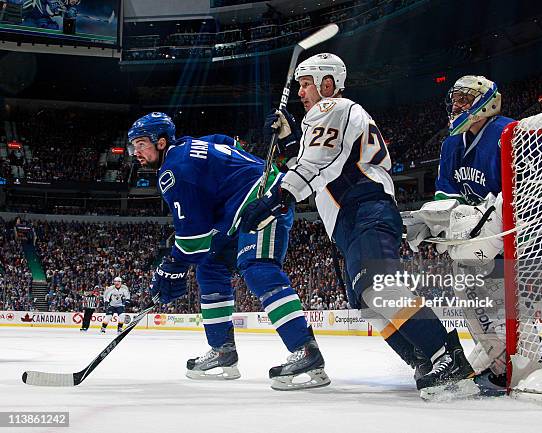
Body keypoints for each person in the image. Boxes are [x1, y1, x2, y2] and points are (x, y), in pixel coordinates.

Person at [241, 53, 475, 399]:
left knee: (378, 287)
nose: (301, 91)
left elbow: (315, 164)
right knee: (368, 301)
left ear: (328, 84)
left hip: (366, 208)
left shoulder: (332, 107)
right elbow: (318, 166)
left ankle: (446, 355)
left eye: (306, 83)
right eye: (300, 84)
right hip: (352, 219)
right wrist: (291, 140)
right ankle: (425, 358)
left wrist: (278, 197)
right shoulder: (324, 120)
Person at [127, 112, 330, 391]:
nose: (135, 152)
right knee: (209, 266)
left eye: (140, 144)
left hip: (265, 199)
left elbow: (193, 238)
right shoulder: (191, 145)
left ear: (161, 143)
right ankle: (222, 351)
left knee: (257, 268)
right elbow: (226, 142)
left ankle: (306, 351)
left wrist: (171, 268)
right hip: (239, 212)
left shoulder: (174, 171)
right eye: (133, 146)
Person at [405, 75, 542, 395]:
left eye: (464, 99)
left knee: (500, 301)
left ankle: (522, 361)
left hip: (511, 228)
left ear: (487, 103)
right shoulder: (451, 144)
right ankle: (515, 360)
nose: (456, 106)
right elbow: (446, 197)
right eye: (455, 99)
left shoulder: (508, 133)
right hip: (475, 234)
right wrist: (429, 220)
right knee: (474, 298)